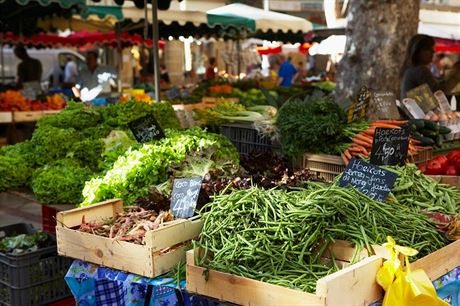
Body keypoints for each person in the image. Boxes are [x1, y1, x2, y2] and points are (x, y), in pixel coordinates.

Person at [400, 34, 460, 99]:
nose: (433, 51)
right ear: (417, 51)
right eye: (428, 49)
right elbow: (438, 93)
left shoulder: (411, 69)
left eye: (432, 48)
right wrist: (456, 76)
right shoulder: (420, 70)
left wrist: (453, 72)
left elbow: (435, 85)